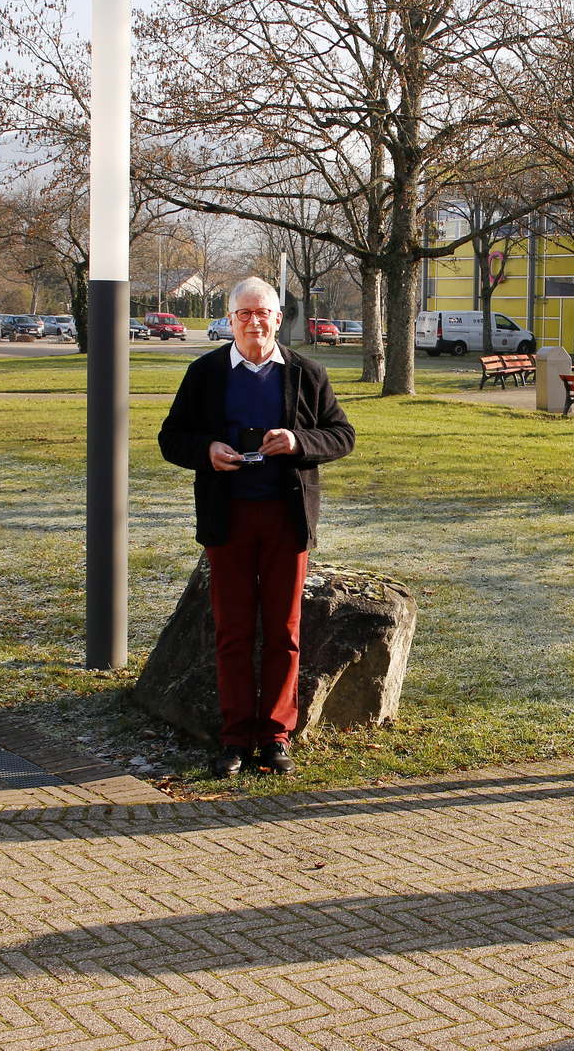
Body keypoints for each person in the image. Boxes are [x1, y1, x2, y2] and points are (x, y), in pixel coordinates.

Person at [159, 276, 355, 778]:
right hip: (229, 520)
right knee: (233, 631)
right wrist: (207, 450)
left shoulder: (306, 373)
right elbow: (171, 437)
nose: (253, 322)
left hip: (285, 520)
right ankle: (234, 737)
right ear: (229, 320)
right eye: (243, 314)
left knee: (285, 631)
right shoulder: (204, 373)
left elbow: (341, 435)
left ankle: (275, 736)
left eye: (261, 312)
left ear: (277, 316)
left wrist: (297, 441)